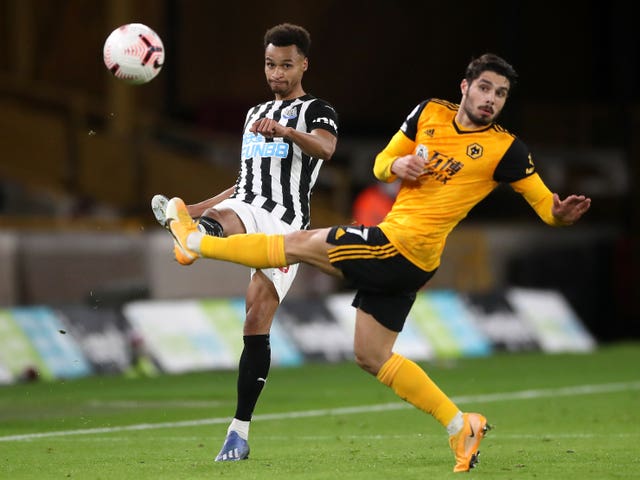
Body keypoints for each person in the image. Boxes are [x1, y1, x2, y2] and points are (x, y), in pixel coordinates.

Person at [165, 53, 591, 472]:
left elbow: (543, 204)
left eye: (500, 94)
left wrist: (559, 215)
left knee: (295, 243)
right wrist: (399, 164)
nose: (491, 99)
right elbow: (381, 164)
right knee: (371, 354)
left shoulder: (506, 149)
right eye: (484, 88)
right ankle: (461, 425)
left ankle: (196, 241)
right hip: (407, 254)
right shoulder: (429, 114)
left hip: (401, 246)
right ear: (465, 87)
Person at [152, 23, 338, 462]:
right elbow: (242, 183)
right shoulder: (253, 113)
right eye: (271, 64)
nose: (276, 73)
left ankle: (239, 430)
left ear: (303, 65)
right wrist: (193, 209)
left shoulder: (317, 109)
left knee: (257, 321)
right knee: (223, 216)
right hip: (246, 207)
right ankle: (192, 234)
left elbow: (327, 150)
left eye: (286, 65)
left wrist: (288, 133)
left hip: (286, 223)